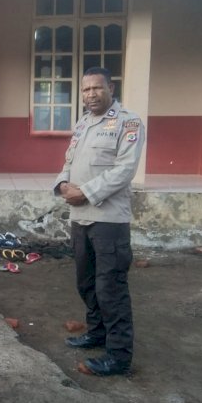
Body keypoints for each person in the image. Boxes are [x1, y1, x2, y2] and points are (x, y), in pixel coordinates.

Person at [54, 66, 145, 377]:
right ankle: (97, 333)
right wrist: (63, 185)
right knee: (87, 282)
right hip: (81, 217)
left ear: (111, 88)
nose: (90, 94)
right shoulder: (82, 124)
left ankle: (118, 357)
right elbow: (68, 160)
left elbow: (125, 169)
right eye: (85, 89)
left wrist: (86, 192)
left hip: (108, 219)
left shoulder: (128, 122)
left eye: (96, 88)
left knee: (111, 289)